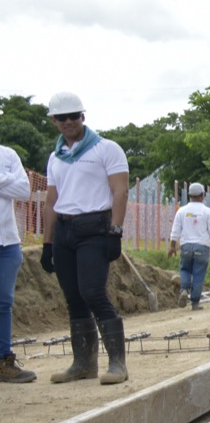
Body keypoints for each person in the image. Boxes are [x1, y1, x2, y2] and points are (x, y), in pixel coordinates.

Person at [40, 92, 131, 385]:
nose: (68, 122)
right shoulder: (56, 157)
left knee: (92, 292)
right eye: (61, 118)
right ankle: (83, 363)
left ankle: (118, 363)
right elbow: (52, 200)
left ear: (83, 117)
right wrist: (47, 242)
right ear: (54, 121)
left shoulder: (106, 149)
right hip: (65, 231)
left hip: (94, 228)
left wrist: (115, 231)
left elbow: (120, 191)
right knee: (74, 298)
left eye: (73, 116)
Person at [0, 143, 35, 383]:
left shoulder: (8, 154)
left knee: (4, 303)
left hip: (8, 242)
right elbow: (16, 185)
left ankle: (4, 361)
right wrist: (7, 179)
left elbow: (24, 190)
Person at [167, 183, 210, 311]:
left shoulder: (181, 211)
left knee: (185, 269)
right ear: (203, 195)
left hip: (186, 246)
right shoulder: (207, 212)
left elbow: (175, 230)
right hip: (202, 247)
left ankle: (184, 290)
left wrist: (172, 246)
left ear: (189, 195)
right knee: (199, 273)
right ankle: (195, 302)